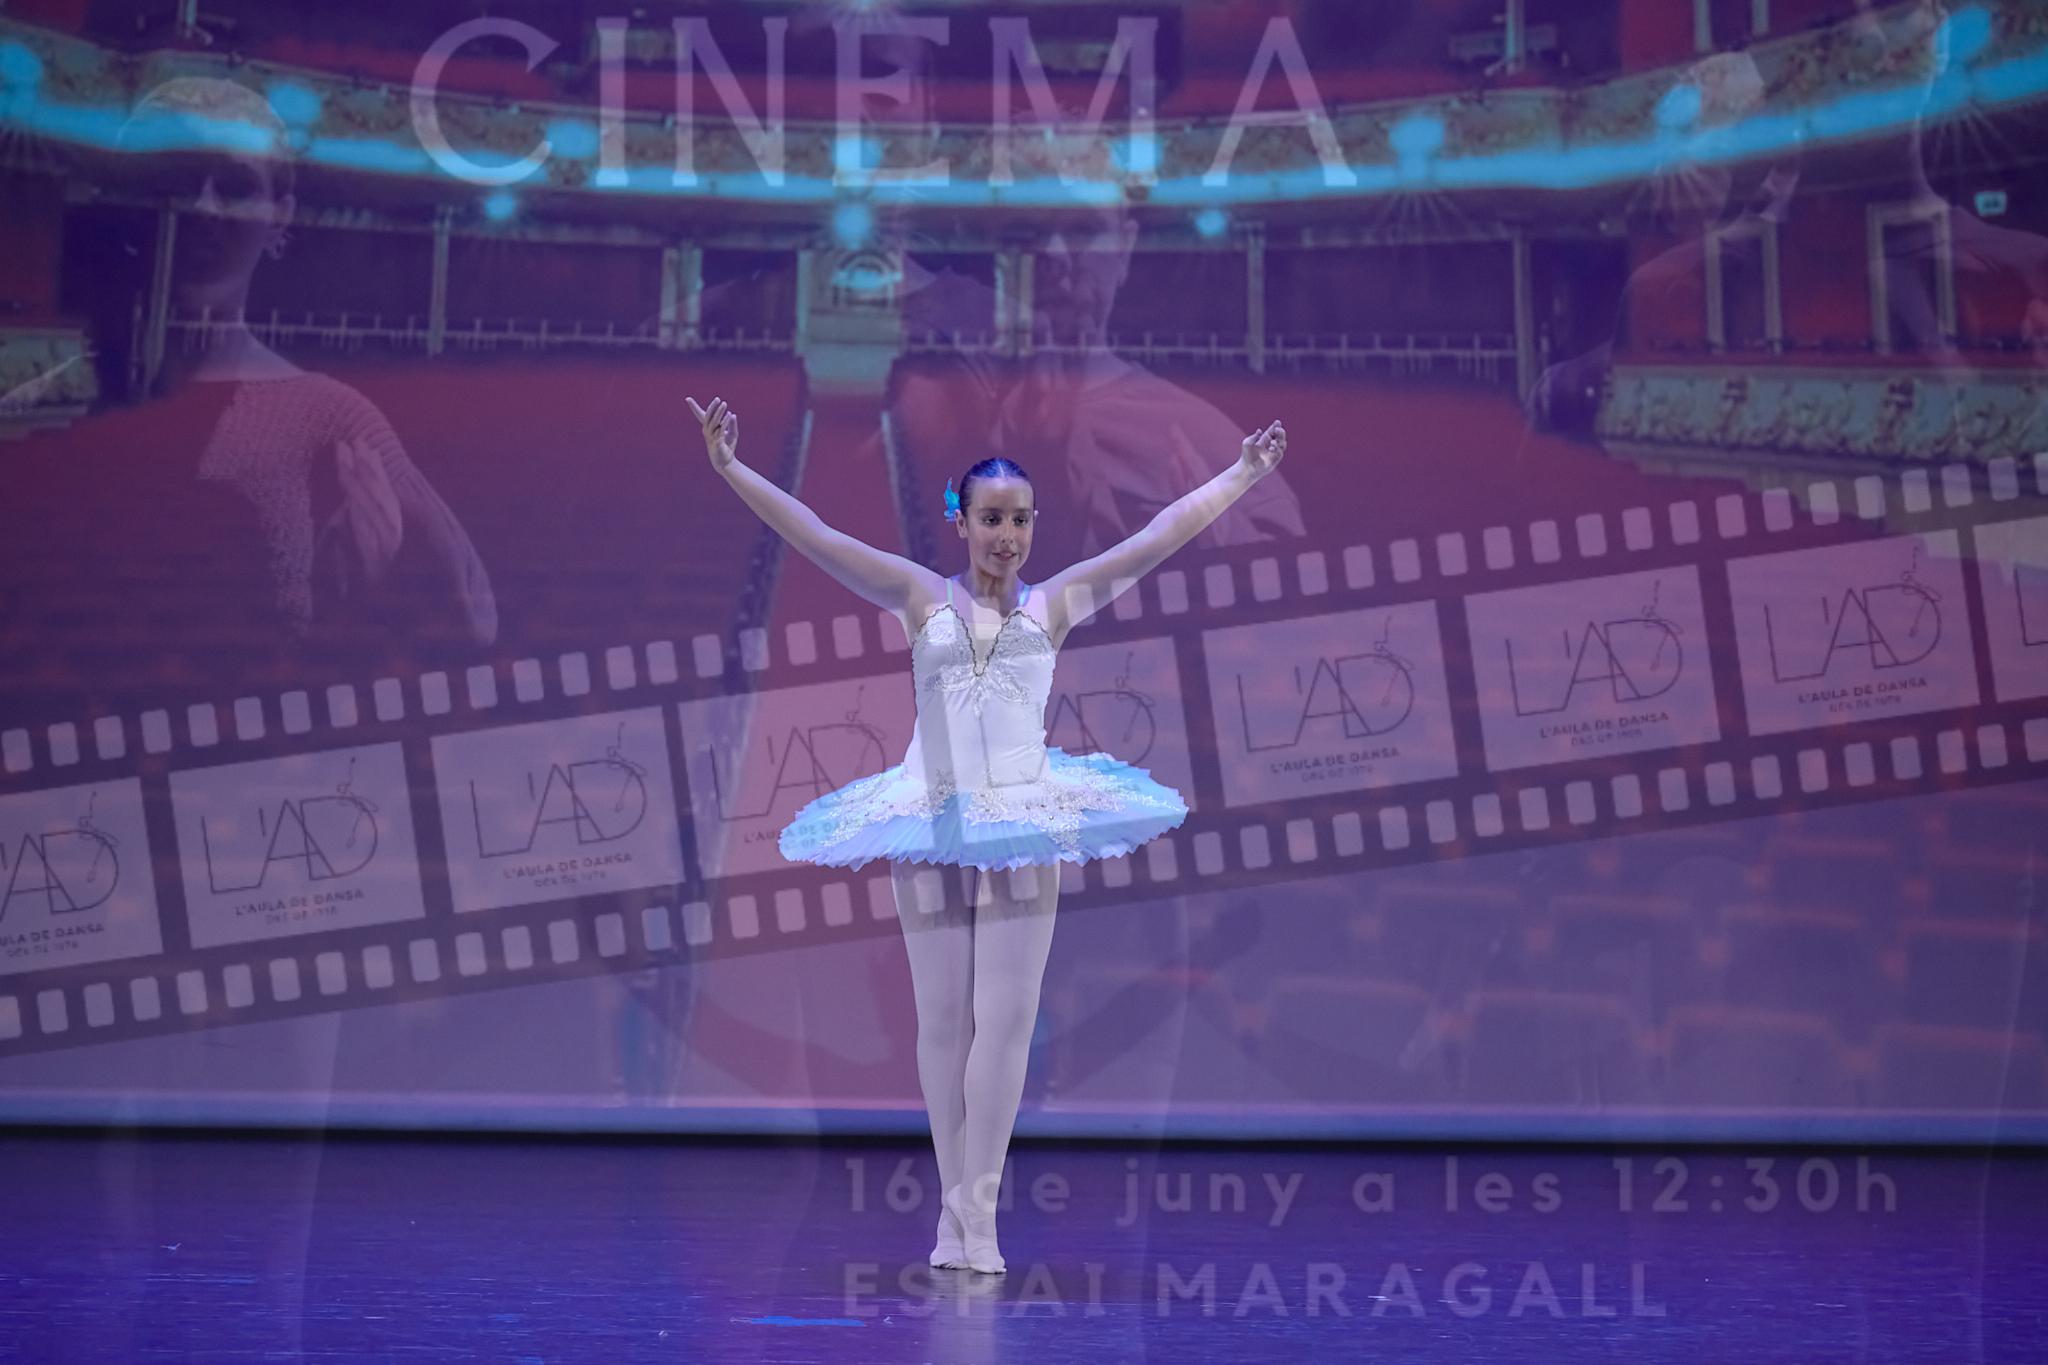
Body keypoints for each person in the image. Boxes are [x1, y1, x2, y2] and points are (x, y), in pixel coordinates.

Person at [686, 391, 1290, 1274]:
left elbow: (1154, 539)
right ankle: (949, 1208)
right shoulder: (917, 595)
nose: (1007, 534)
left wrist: (1241, 474)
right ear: (961, 522)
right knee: (942, 1021)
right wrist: (731, 467)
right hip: (930, 813)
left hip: (1022, 816)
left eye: (1020, 519)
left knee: (1005, 1022)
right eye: (992, 518)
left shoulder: (1056, 603)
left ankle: (982, 1212)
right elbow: (816, 534)